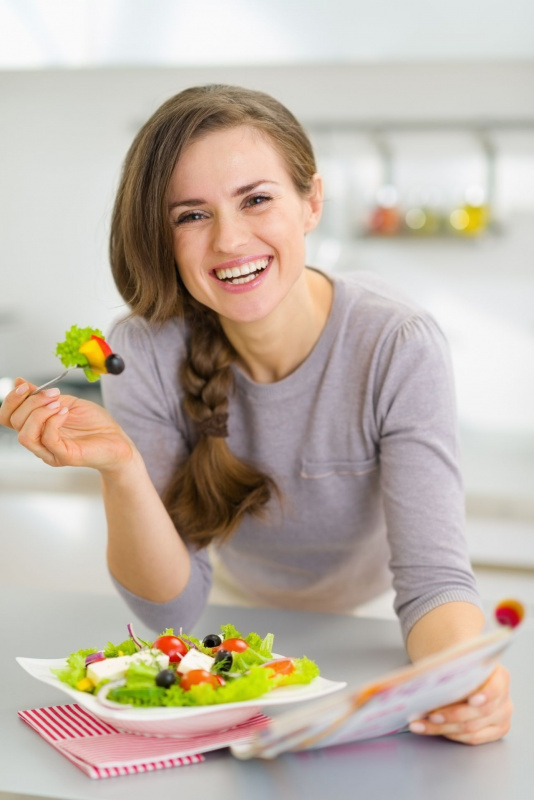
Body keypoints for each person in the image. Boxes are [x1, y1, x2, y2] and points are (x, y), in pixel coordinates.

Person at [0, 84, 512, 745]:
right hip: (237, 620)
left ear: (311, 203)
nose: (230, 240)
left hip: (377, 619)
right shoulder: (142, 352)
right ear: (162, 237)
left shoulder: (396, 344)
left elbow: (432, 580)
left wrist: (457, 681)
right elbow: (174, 610)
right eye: (191, 215)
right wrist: (121, 469)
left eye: (257, 199)